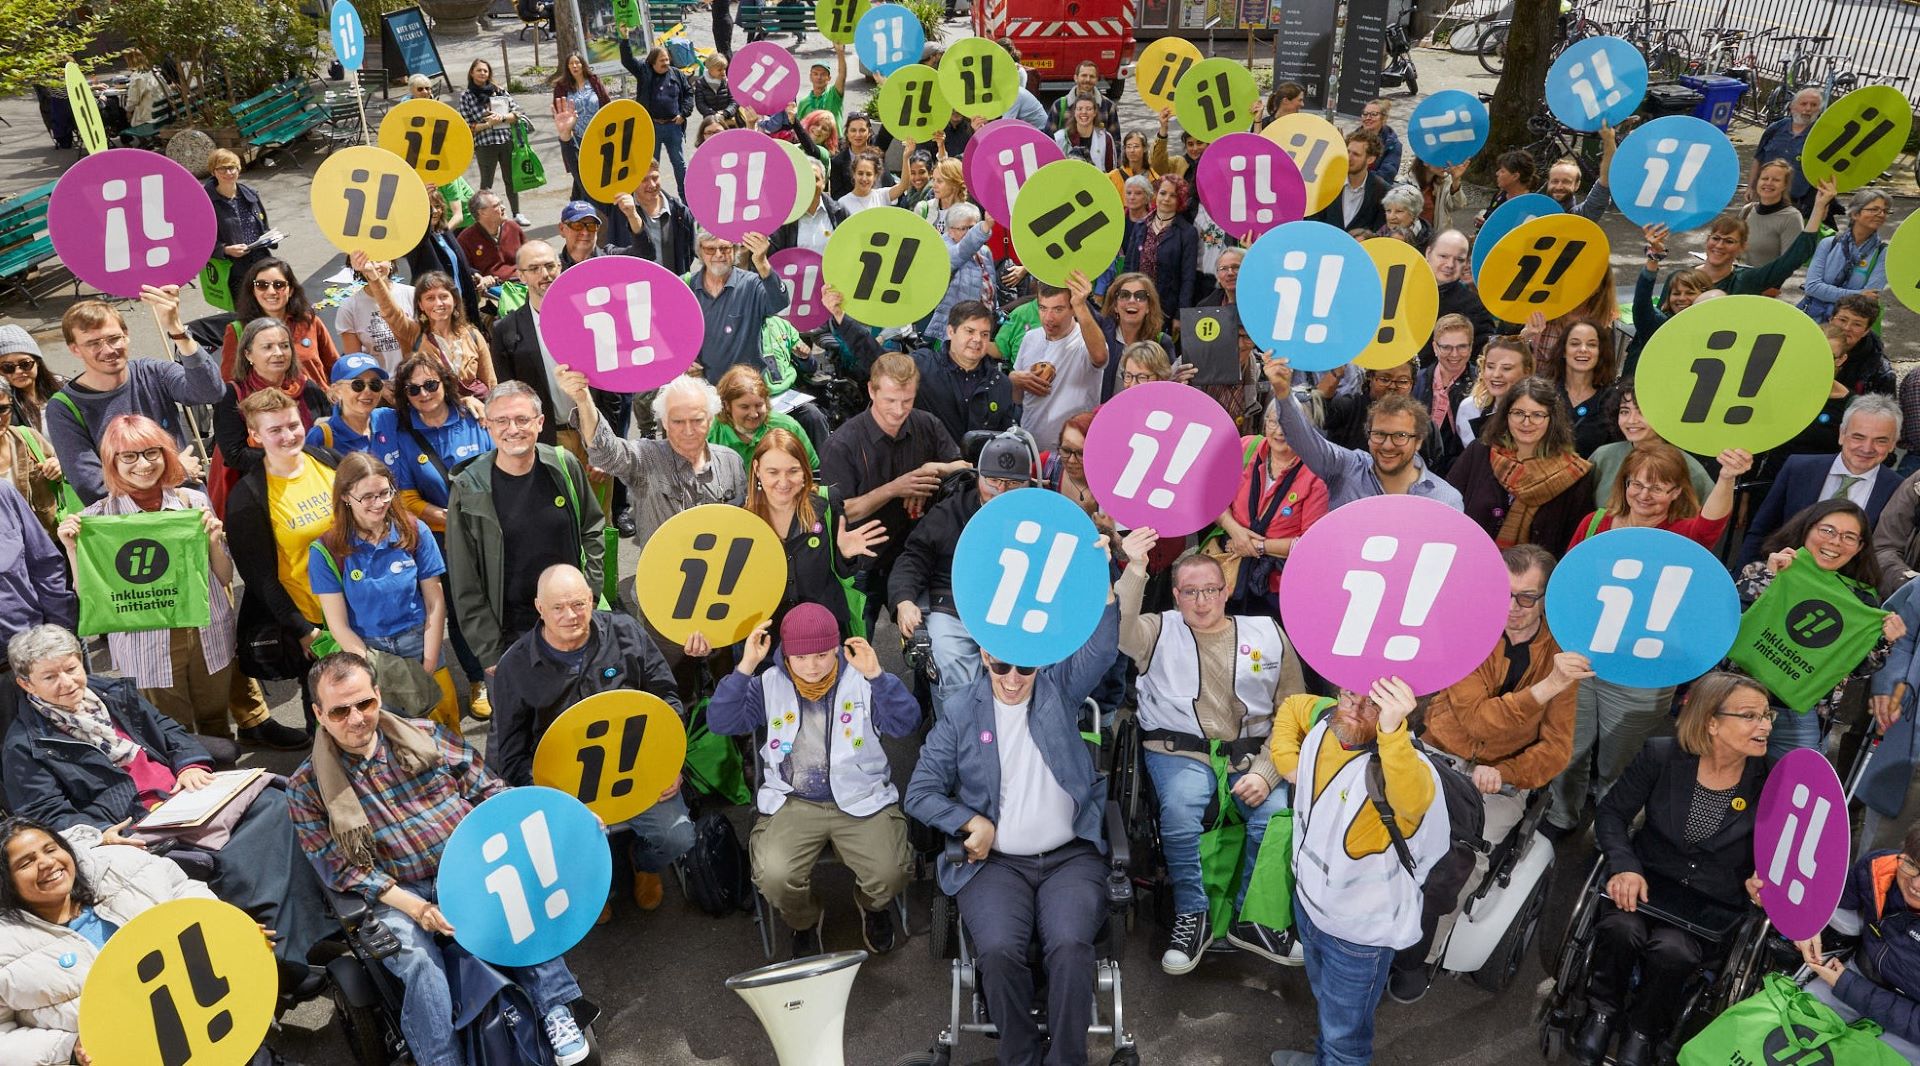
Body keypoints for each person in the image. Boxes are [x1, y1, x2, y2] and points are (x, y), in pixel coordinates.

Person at [286, 652, 593, 1066]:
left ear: (378, 695)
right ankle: (441, 1059)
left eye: (365, 703)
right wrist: (417, 907)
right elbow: (337, 866)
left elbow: (489, 790)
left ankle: (555, 1008)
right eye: (340, 711)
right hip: (396, 890)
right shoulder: (306, 787)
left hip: (466, 864)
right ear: (318, 714)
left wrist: (558, 819)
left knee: (518, 907)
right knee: (418, 964)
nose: (356, 718)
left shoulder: (426, 734)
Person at [3, 624, 330, 978]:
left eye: (71, 669)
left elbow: (170, 730)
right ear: (25, 684)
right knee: (234, 855)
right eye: (50, 677)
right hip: (135, 823)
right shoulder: (25, 745)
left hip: (186, 795)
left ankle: (316, 929)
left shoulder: (112, 693)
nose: (67, 683)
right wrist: (99, 834)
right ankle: (281, 958)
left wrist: (189, 764)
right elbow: (44, 813)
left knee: (278, 806)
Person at [904, 581, 1120, 1066]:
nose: (1013, 678)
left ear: (1039, 664)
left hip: (1070, 857)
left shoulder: (1059, 690)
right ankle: (1020, 1056)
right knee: (998, 950)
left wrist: (1106, 591)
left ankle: (1066, 1059)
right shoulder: (961, 712)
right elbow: (919, 792)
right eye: (1001, 664)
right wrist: (968, 820)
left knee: (1069, 946)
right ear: (984, 656)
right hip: (997, 864)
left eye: (1024, 666)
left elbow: (1103, 649)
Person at [1394, 545, 1588, 1003]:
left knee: (1463, 860)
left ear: (1546, 598)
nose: (1512, 609)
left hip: (1500, 783)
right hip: (1437, 753)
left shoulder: (1560, 655)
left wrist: (1504, 771)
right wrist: (1548, 687)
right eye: (1502, 594)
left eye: (1526, 597)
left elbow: (1556, 750)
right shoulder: (1466, 632)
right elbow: (1478, 720)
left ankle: (1420, 955)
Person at [59, 414, 302, 756]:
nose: (142, 465)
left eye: (151, 453)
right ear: (112, 462)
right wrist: (73, 549)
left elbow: (222, 576)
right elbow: (93, 597)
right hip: (146, 641)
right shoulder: (97, 521)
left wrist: (215, 542)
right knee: (173, 730)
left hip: (206, 631)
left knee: (215, 723)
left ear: (165, 454)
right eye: (128, 456)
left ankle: (228, 787)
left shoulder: (192, 503)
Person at [1120, 529, 1304, 971]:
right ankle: (1193, 915)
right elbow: (1120, 626)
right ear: (1177, 596)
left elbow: (1292, 711)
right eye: (1190, 593)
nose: (1201, 601)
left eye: (1209, 590)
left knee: (1277, 815)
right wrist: (1136, 569)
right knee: (1181, 814)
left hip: (1252, 755)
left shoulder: (1268, 633)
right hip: (1179, 752)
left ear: (1226, 590)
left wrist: (1267, 771)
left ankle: (1256, 919)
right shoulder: (1154, 630)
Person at [1573, 672, 1772, 1066]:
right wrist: (1625, 866)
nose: (1764, 725)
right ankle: (1602, 1010)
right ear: (1711, 722)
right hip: (1647, 879)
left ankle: (1644, 1031)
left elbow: (1781, 852)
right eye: (1750, 716)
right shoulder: (1662, 755)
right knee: (1620, 927)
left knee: (1673, 950)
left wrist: (1762, 880)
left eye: (1767, 716)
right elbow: (1612, 814)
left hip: (1713, 900)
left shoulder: (1773, 781)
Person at [0, 815, 301, 1065]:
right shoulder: (7, 946)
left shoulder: (119, 866)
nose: (46, 863)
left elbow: (183, 890)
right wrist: (69, 1046)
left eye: (50, 849)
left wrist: (229, 930)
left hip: (213, 1031)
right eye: (25, 863)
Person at [708, 604, 919, 955]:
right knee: (774, 876)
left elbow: (905, 724)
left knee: (892, 871)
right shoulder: (769, 684)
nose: (812, 666)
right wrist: (745, 667)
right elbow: (721, 721)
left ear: (836, 647)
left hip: (860, 796)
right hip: (794, 801)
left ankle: (871, 905)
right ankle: (804, 920)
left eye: (822, 654)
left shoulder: (860, 676)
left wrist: (879, 677)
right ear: (785, 655)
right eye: (801, 657)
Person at [487, 566, 694, 917]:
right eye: (558, 607)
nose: (571, 615)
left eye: (579, 604)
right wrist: (554, 801)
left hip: (636, 771)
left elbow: (667, 700)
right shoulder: (515, 667)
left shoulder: (627, 632)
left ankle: (643, 863)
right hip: (563, 790)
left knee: (678, 837)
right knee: (556, 847)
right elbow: (509, 754)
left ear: (591, 599)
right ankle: (595, 882)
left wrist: (668, 762)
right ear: (539, 607)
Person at [1266, 676, 1443, 1066]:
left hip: (1359, 937)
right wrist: (1289, 765)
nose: (1354, 708)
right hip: (1310, 910)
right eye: (1349, 693)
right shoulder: (1330, 721)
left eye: (1373, 704)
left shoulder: (1407, 768)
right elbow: (1293, 705)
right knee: (1328, 1007)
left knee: (1346, 1040)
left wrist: (1393, 730)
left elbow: (1412, 799)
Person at [445, 382, 604, 682]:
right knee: (521, 725)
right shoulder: (469, 488)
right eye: (501, 421)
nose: (512, 429)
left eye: (522, 419)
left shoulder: (563, 464)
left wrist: (590, 592)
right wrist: (490, 650)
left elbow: (592, 528)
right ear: (487, 426)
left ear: (540, 423)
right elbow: (465, 579)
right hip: (513, 634)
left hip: (574, 620)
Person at [1735, 499, 1901, 756]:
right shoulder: (1766, 569)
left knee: (1788, 790)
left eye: (1849, 537)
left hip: (1800, 714)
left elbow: (1855, 669)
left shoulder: (1863, 601)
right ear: (1807, 529)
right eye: (1827, 530)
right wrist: (1769, 579)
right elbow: (1732, 624)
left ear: (1859, 548)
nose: (1835, 542)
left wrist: (1885, 641)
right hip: (1732, 697)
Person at [821, 353, 969, 635]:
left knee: (926, 643)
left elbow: (963, 470)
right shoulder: (842, 443)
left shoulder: (927, 424)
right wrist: (896, 488)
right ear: (871, 390)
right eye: (890, 400)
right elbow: (841, 510)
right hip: (865, 562)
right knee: (858, 640)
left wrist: (930, 470)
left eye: (907, 401)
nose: (899, 410)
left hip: (918, 554)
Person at [891, 433, 1037, 708]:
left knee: (1035, 665)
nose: (1001, 491)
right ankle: (958, 730)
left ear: (1028, 484)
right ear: (978, 477)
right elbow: (914, 557)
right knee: (946, 654)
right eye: (993, 481)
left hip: (1020, 609)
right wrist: (904, 600)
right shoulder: (949, 512)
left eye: (1013, 484)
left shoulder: (1043, 515)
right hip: (955, 606)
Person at [48, 288, 222, 506]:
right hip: (134, 527)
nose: (108, 350)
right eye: (93, 343)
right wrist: (175, 472)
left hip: (190, 508)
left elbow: (210, 391)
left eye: (114, 339)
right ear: (75, 349)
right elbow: (92, 487)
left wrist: (177, 330)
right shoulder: (64, 408)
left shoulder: (153, 372)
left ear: (126, 335)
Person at [1784, 823, 1920, 1062]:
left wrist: (1849, 987)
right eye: (1911, 864)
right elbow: (1826, 894)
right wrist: (1807, 922)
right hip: (1860, 974)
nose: (1916, 885)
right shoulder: (1879, 868)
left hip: (1909, 1022)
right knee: (1786, 1025)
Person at [1264, 357, 1465, 510]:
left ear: (1419, 440)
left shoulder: (1445, 501)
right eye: (1379, 434)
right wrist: (1282, 392)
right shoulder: (1346, 469)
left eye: (1400, 436)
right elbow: (1302, 439)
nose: (1387, 445)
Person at [311, 453, 446, 676]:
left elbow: (434, 603)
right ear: (345, 496)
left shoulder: (415, 531)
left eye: (385, 493)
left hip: (419, 641)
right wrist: (373, 672)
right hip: (366, 650)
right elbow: (339, 625)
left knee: (429, 710)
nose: (379, 503)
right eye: (367, 497)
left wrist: (428, 668)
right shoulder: (326, 550)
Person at [1741, 394, 1901, 565]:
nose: (1867, 448)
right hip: (1783, 577)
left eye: (1880, 441)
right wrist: (1744, 580)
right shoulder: (1799, 469)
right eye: (1858, 437)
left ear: (1893, 444)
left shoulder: (1898, 490)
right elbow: (1760, 532)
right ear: (1842, 434)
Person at [1203, 398, 1328, 618]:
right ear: (1265, 423)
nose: (1279, 431)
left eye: (1290, 425)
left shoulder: (1316, 473)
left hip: (1278, 586)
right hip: (1229, 571)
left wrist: (1258, 546)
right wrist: (1234, 529)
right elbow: (1212, 495)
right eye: (1273, 422)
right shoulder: (1246, 447)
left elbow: (1311, 544)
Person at [1447, 376, 1594, 553]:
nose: (1526, 422)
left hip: (1537, 577)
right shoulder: (1479, 452)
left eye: (1537, 415)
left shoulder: (1574, 474)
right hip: (1471, 564)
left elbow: (1574, 545)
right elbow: (1448, 511)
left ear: (1552, 419)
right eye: (1518, 413)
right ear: (1506, 414)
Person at [1656, 178, 1837, 304]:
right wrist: (1651, 260)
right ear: (1708, 241)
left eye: (1729, 241)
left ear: (1742, 247)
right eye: (1716, 238)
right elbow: (1654, 318)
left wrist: (1819, 207)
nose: (1719, 245)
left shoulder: (1746, 280)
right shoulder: (1679, 277)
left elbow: (1793, 258)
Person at [354, 251, 498, 396]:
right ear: (420, 305)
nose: (438, 303)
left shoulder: (473, 336)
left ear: (454, 301)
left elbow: (491, 384)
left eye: (443, 296)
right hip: (430, 413)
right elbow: (391, 312)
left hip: (474, 414)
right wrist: (373, 277)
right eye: (430, 298)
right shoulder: (413, 334)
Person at [1569, 441, 1747, 550]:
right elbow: (1570, 574)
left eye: (1656, 489)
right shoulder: (1594, 523)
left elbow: (1711, 524)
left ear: (1676, 492)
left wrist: (1726, 477)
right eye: (1637, 484)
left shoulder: (1684, 535)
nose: (1644, 495)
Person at [1011, 275, 1113, 451]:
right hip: (1030, 449)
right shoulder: (1030, 338)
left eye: (1058, 309)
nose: (1048, 318)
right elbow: (1017, 398)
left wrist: (1081, 304)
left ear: (1073, 308)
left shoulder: (1084, 340)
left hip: (1070, 454)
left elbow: (1100, 357)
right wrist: (1014, 380)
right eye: (1043, 308)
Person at [1585, 380, 1713, 510]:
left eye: (1642, 411)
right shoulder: (1603, 457)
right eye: (1624, 411)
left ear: (1664, 415)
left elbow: (1710, 520)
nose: (1631, 420)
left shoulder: (1690, 469)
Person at [686, 231, 790, 383]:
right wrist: (684, 363)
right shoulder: (687, 286)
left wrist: (762, 262)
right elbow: (671, 333)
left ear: (735, 250)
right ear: (700, 252)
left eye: (725, 248)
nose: (718, 255)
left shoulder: (751, 283)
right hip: (704, 389)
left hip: (746, 389)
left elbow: (780, 302)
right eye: (710, 249)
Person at [217, 258, 339, 384]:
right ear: (253, 291)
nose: (271, 292)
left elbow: (336, 367)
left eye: (279, 285)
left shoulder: (309, 322)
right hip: (270, 403)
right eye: (262, 285)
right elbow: (231, 382)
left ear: (290, 290)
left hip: (317, 401)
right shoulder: (238, 330)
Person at [1623, 225, 1711, 373]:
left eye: (1689, 293)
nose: (1681, 298)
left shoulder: (1713, 330)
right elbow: (1641, 304)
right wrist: (1654, 258)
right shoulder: (1659, 324)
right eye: (1676, 294)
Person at [456, 59, 533, 226]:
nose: (483, 73)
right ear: (472, 73)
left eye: (485, 71)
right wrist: (487, 124)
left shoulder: (499, 91)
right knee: (486, 183)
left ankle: (517, 213)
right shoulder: (466, 96)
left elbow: (518, 112)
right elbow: (465, 126)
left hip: (506, 140)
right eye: (479, 70)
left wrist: (503, 118)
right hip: (484, 145)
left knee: (511, 179)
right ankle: (484, 216)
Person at [1800, 188, 1892, 323]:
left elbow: (1869, 299)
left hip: (1851, 327)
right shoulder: (1829, 243)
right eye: (1874, 209)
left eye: (1885, 211)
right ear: (1855, 214)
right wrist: (1857, 293)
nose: (1881, 214)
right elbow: (1812, 287)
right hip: (1813, 320)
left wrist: (1828, 292)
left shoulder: (1883, 253)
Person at [403, 187, 486, 328]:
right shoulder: (417, 239)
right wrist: (419, 203)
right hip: (438, 309)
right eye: (429, 208)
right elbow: (422, 232)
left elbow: (455, 263)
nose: (434, 211)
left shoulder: (444, 232)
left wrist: (473, 273)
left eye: (437, 206)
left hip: (461, 304)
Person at [710, 364, 817, 469]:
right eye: (744, 407)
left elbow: (814, 471)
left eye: (759, 405)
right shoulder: (711, 433)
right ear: (727, 406)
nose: (754, 414)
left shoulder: (788, 427)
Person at [307, 354, 403, 469]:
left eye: (375, 384)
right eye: (357, 384)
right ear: (337, 391)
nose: (368, 391)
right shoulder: (320, 437)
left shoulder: (390, 418)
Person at [623, 42, 695, 191]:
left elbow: (689, 93)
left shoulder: (677, 74)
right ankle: (653, 196)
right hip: (652, 128)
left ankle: (687, 198)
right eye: (662, 60)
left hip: (673, 126)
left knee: (680, 164)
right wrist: (624, 39)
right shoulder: (644, 73)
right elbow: (627, 60)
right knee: (651, 166)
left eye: (667, 59)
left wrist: (684, 113)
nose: (666, 63)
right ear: (652, 62)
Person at [1122, 177, 1199, 314]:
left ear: (1180, 200)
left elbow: (1188, 278)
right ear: (1156, 195)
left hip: (1166, 308)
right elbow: (1128, 266)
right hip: (1136, 302)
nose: (1166, 199)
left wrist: (1180, 314)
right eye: (1163, 193)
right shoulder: (1141, 225)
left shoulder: (1187, 232)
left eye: (1173, 195)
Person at [1415, 313, 1479, 475]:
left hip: (1464, 470)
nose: (1455, 354)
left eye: (1462, 346)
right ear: (1435, 347)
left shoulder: (1482, 385)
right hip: (1417, 467)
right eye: (1447, 347)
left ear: (1471, 347)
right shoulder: (1416, 381)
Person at [1095, 274, 1176, 399]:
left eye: (1140, 296)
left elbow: (1167, 392)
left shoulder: (1162, 342)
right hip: (1104, 414)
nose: (1132, 300)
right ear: (1115, 306)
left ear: (1149, 307)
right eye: (1124, 295)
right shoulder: (1100, 336)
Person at [0, 372, 61, 537]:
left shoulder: (28, 438)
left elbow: (65, 475)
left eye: (2, 409)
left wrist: (59, 469)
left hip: (47, 543)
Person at [334, 256, 415, 374]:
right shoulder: (349, 307)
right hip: (381, 385)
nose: (375, 266)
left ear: (391, 261)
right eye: (369, 261)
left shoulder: (413, 294)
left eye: (379, 259)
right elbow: (355, 362)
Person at [1752, 87, 1824, 217]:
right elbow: (1758, 158)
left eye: (1813, 105)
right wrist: (1751, 187)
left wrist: (1823, 205)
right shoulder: (1775, 128)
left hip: (1798, 204)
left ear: (1819, 110)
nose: (1808, 109)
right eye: (1803, 104)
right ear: (1792, 107)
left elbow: (1825, 172)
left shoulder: (1821, 137)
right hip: (1766, 196)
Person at [202, 148, 274, 276]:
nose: (228, 172)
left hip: (261, 260)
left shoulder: (250, 194)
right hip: (234, 269)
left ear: (238, 169)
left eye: (232, 167)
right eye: (222, 168)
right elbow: (200, 239)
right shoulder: (205, 201)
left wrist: (270, 237)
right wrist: (225, 250)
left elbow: (264, 226)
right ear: (213, 171)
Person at [552, 53, 612, 204]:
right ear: (567, 68)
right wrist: (567, 131)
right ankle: (580, 204)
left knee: (595, 172)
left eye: (577, 63)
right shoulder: (562, 87)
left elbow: (606, 103)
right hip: (577, 138)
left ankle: (578, 203)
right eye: (571, 64)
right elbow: (560, 112)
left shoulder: (594, 81)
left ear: (583, 65)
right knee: (580, 173)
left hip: (598, 135)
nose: (574, 66)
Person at [1453, 335, 1533, 445]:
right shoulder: (1470, 408)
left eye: (1506, 368)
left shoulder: (1540, 412)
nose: (1496, 375)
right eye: (1490, 367)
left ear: (1526, 372)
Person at [1425, 230, 1499, 345]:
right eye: (1443, 256)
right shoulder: (1402, 290)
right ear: (1428, 253)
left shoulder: (1475, 306)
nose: (1450, 264)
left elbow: (1484, 351)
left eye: (1459, 260)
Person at [1310, 129, 1389, 232]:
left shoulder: (1382, 191)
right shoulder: (1327, 183)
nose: (1348, 157)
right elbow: (1313, 220)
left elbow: (1379, 233)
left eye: (1356, 154)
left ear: (1370, 159)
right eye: (1347, 151)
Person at [1737, 159, 1808, 267]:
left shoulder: (1791, 218)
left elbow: (1788, 264)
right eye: (1765, 178)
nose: (1768, 183)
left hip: (1764, 282)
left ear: (1785, 185)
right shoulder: (1747, 210)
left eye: (1776, 180)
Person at [1541, 125, 1617, 222]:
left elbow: (1606, 178)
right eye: (1555, 181)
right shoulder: (1532, 212)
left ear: (1577, 185)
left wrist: (1609, 140)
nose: (1559, 186)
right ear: (1548, 183)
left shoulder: (1580, 217)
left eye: (1566, 182)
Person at [633, 162, 698, 275]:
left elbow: (693, 250)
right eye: (644, 180)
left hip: (672, 286)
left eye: (655, 177)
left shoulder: (680, 212)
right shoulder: (621, 212)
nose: (652, 184)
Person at [0, 326, 63, 437]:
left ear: (37, 361)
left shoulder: (65, 386)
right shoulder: (5, 408)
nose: (18, 371)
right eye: (8, 367)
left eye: (25, 364)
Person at [456, 190, 526, 287]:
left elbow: (530, 256)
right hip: (493, 290)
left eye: (501, 203)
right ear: (482, 213)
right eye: (496, 205)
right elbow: (464, 270)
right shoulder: (466, 239)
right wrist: (480, 278)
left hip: (523, 282)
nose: (503, 207)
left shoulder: (513, 227)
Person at [1047, 61, 1121, 137]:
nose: (1087, 80)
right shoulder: (1058, 106)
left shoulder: (1108, 106)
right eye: (1084, 75)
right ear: (1075, 78)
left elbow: (1115, 142)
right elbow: (1049, 140)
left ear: (1096, 79)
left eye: (1092, 76)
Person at [1476, 149, 1537, 228]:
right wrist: (1480, 222)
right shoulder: (1499, 195)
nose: (1497, 173)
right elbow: (1487, 219)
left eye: (1502, 171)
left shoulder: (1530, 204)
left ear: (1515, 176)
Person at [1054, 97, 1117, 171]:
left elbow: (1111, 170)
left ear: (1095, 113)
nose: (1084, 112)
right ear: (1074, 112)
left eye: (1088, 109)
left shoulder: (1106, 138)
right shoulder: (1060, 137)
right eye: (1080, 109)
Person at [1411, 159, 1470, 235]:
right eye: (1441, 159)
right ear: (1425, 161)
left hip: (1437, 240)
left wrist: (1456, 180)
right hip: (1413, 240)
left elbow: (1457, 205)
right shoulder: (1405, 184)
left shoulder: (1444, 181)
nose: (1445, 165)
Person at [1150, 108, 1206, 184]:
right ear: (1185, 146)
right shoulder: (1177, 163)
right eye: (1190, 144)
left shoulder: (1217, 163)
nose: (1195, 148)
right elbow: (1157, 165)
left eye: (1199, 143)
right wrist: (1163, 129)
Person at [796, 46, 848, 125]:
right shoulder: (804, 103)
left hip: (835, 137)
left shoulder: (834, 94)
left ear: (829, 78)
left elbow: (842, 74)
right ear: (810, 77)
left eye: (823, 74)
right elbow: (800, 128)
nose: (819, 77)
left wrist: (840, 53)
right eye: (815, 74)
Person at [1358, 99, 1402, 183]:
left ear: (1383, 118)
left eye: (1373, 114)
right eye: (1365, 114)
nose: (1368, 118)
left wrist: (1356, 176)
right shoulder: (1353, 138)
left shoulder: (1392, 145)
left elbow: (1386, 175)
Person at [1381, 184, 1430, 249]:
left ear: (1414, 213)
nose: (1391, 217)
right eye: (1388, 211)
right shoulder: (1379, 235)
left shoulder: (1431, 241)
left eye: (1399, 211)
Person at [694, 53, 737, 122]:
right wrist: (713, 114)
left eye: (724, 69)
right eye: (719, 70)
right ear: (710, 69)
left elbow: (734, 101)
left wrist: (725, 113)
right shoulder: (700, 83)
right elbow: (700, 104)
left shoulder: (727, 81)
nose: (723, 72)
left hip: (728, 119)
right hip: (711, 121)